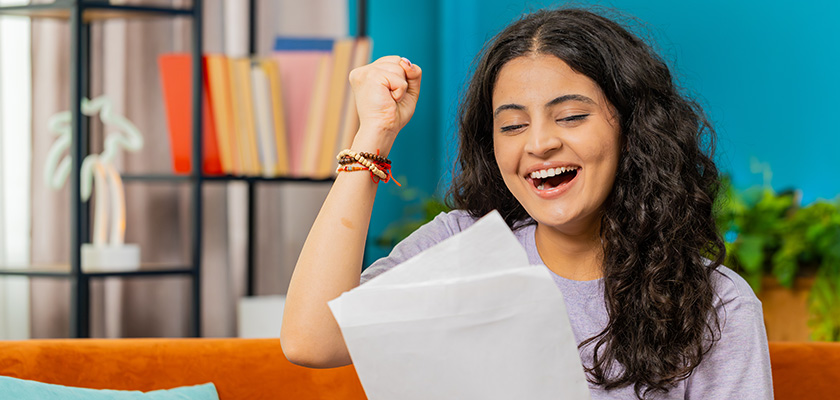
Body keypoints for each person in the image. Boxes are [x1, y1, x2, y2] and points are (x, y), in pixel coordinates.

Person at [281, 7, 773, 400]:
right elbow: (312, 340)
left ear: (633, 128)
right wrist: (375, 134)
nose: (538, 144)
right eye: (512, 126)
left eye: (571, 116)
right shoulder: (461, 245)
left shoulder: (719, 304)